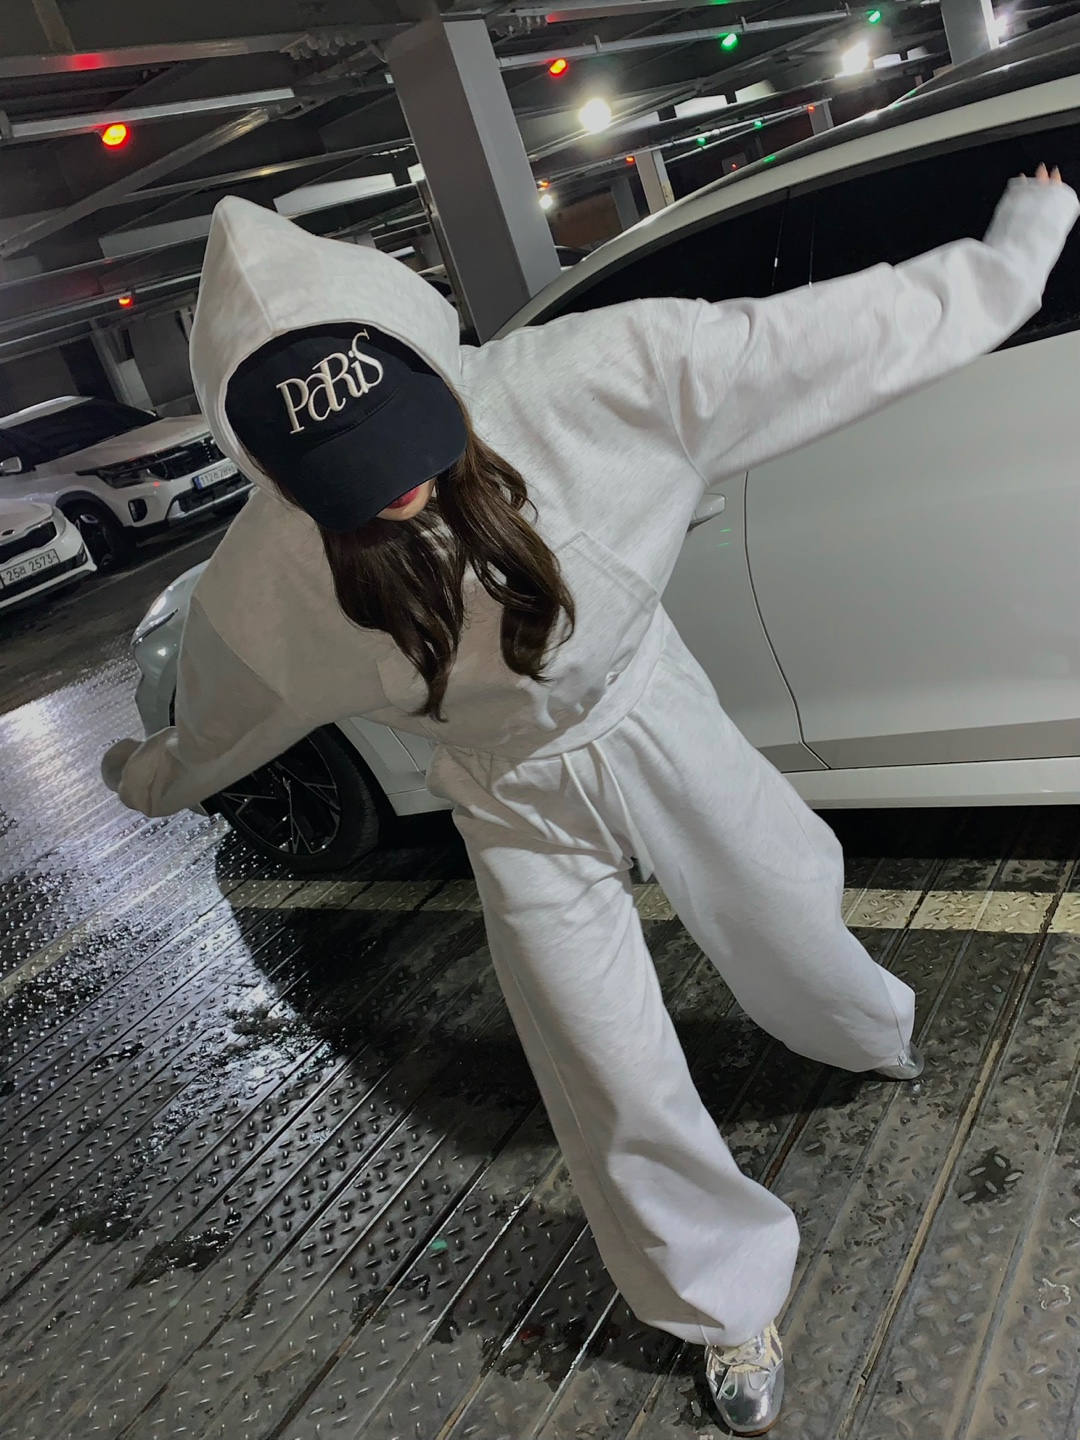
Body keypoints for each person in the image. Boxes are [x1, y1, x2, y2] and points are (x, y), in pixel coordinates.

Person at [103, 166, 1076, 1435]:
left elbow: (830, 334)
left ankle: (864, 1029)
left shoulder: (587, 378)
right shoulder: (267, 576)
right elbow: (220, 723)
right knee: (603, 1061)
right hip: (506, 794)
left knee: (782, 906)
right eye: (342, 477)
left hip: (646, 711)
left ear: (427, 357)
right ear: (272, 467)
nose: (390, 492)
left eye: (398, 439)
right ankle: (723, 1302)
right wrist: (147, 780)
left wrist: (1016, 250)